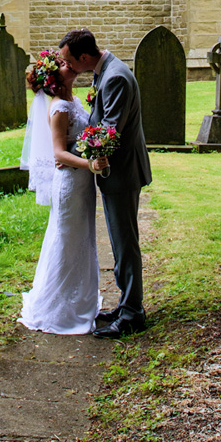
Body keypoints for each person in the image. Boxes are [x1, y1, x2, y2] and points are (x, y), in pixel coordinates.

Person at [58, 28, 151, 338]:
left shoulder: (114, 77)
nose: (68, 67)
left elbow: (108, 131)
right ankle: (127, 303)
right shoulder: (105, 71)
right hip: (115, 172)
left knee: (125, 243)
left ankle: (132, 313)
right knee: (119, 240)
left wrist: (72, 151)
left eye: (70, 61)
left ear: (84, 57)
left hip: (122, 172)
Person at [19, 51, 107, 335]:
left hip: (83, 184)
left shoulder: (74, 100)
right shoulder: (58, 108)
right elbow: (58, 153)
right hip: (70, 184)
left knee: (83, 239)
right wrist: (89, 164)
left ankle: (81, 300)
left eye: (69, 63)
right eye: (65, 66)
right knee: (67, 240)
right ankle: (57, 307)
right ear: (56, 78)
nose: (70, 66)